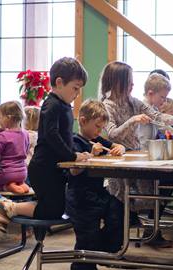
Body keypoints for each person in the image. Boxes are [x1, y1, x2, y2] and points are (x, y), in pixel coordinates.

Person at [0, 57, 91, 233]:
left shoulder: (64, 106)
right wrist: (72, 156)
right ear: (59, 82)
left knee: (56, 208)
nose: (77, 94)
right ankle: (10, 207)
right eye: (75, 88)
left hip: (54, 168)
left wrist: (77, 152)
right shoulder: (52, 105)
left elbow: (66, 137)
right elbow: (51, 135)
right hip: (43, 168)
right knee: (51, 210)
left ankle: (10, 208)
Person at [99, 61, 173, 245]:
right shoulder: (107, 105)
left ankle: (140, 235)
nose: (133, 85)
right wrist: (133, 120)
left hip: (134, 158)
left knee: (146, 199)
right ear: (118, 82)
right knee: (118, 208)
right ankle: (114, 249)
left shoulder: (133, 102)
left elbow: (157, 116)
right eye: (129, 81)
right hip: (118, 162)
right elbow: (112, 133)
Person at [66, 99, 125, 270]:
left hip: (99, 194)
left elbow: (117, 145)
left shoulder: (96, 138)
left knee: (118, 209)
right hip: (80, 198)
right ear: (83, 121)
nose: (100, 131)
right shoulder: (74, 142)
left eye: (101, 128)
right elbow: (73, 171)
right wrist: (90, 156)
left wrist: (119, 148)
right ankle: (83, 264)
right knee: (87, 238)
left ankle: (104, 251)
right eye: (97, 126)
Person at [0, 101, 30, 194]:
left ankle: (7, 186)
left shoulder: (4, 135)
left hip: (7, 174)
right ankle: (20, 184)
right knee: (16, 179)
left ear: (8, 118)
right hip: (23, 173)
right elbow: (26, 150)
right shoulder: (25, 133)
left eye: (0, 117)